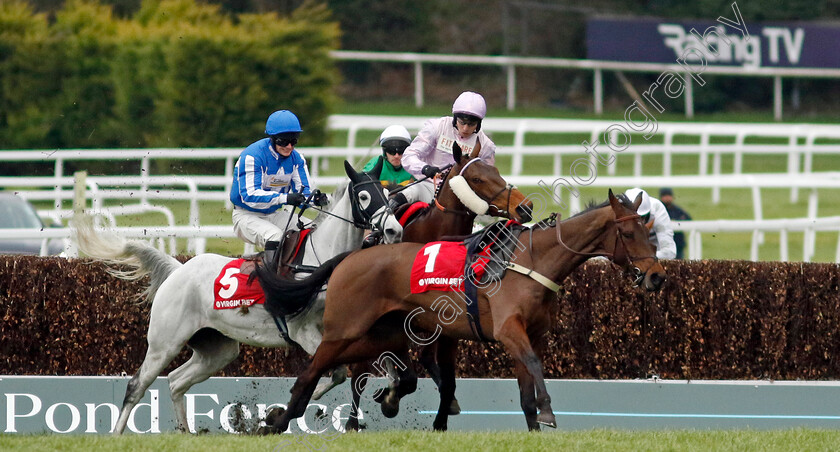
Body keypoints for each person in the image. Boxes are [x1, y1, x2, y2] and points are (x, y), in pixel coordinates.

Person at [229, 109, 321, 270]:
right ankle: (272, 283)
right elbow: (249, 195)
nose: (289, 146)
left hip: (274, 214)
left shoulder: (297, 159)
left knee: (314, 230)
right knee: (275, 237)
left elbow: (304, 191)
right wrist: (285, 198)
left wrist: (316, 199)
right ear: (272, 139)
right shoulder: (252, 156)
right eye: (284, 141)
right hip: (246, 215)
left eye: (294, 141)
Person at [390, 91, 497, 210]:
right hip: (428, 186)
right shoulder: (437, 127)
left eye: (471, 124)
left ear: (479, 123)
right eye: (462, 122)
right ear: (455, 118)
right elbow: (409, 156)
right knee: (408, 194)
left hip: (463, 196)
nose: (465, 128)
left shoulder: (486, 146)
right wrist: (425, 168)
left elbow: (487, 179)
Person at [624, 187, 677, 260]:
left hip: (654, 254)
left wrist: (641, 255)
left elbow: (670, 253)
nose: (639, 222)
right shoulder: (615, 210)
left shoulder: (657, 208)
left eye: (642, 217)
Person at [659, 187, 692, 259]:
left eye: (669, 196)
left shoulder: (678, 210)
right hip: (662, 244)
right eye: (665, 196)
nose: (667, 198)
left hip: (678, 244)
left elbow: (689, 219)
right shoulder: (659, 210)